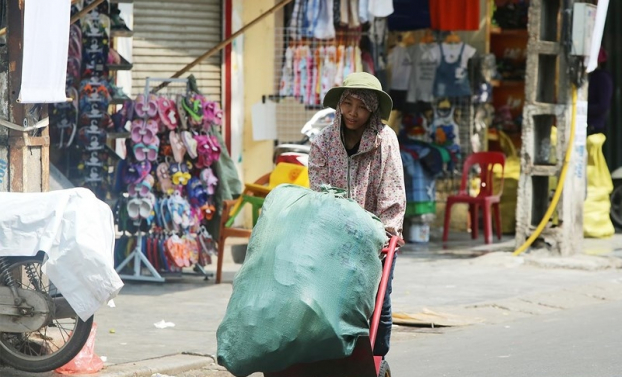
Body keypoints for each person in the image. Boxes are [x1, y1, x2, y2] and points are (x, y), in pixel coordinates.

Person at [308, 71, 406, 358]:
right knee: (334, 301)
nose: (353, 113)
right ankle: (339, 358)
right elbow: (319, 191)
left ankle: (375, 360)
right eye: (348, 103)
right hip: (334, 236)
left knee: (378, 303)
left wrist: (388, 233)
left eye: (362, 106)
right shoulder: (323, 142)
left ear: (373, 109)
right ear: (339, 104)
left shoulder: (385, 140)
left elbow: (393, 188)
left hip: (377, 238)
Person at [587, 47, 613, 135]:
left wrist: (583, 109)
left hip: (594, 127)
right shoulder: (591, 76)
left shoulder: (603, 78)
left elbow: (603, 106)